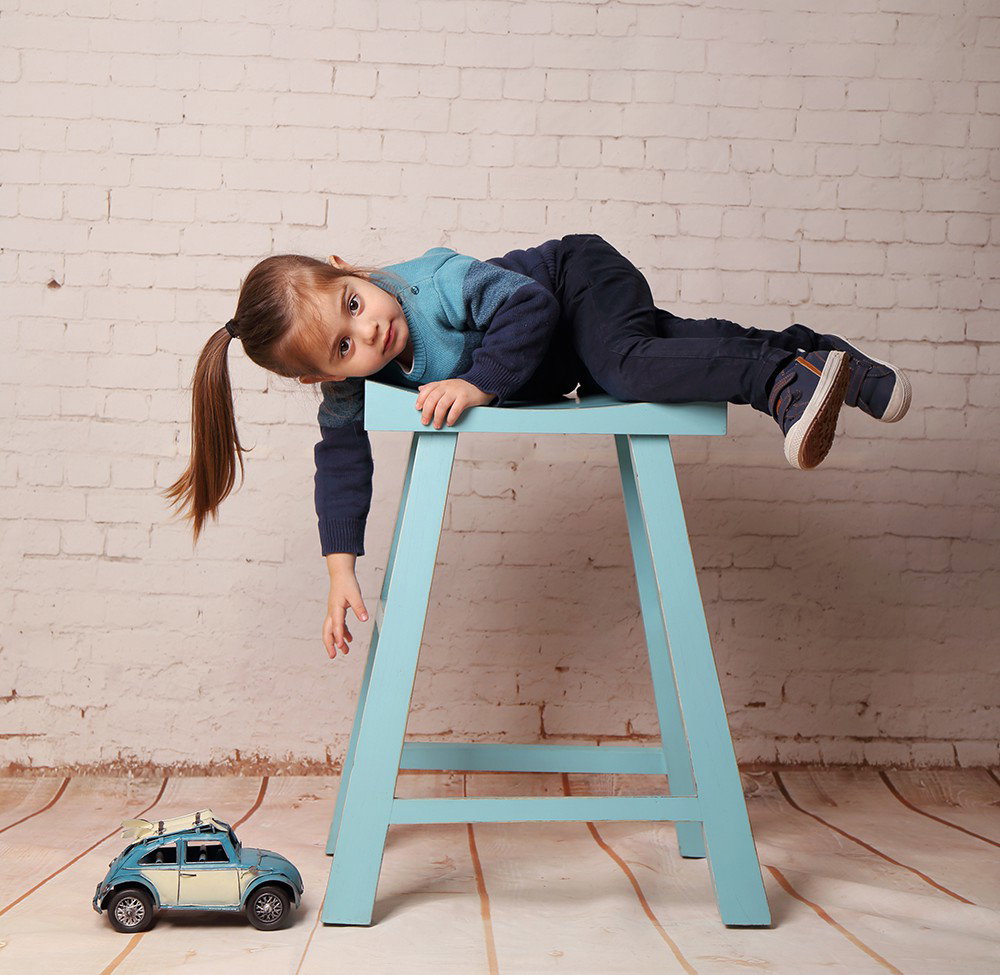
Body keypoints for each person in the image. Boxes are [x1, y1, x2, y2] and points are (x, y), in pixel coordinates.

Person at [163, 233, 911, 661]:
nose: (370, 333)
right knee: (675, 353)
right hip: (576, 357)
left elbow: (530, 305)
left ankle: (780, 381)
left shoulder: (433, 283)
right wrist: (339, 569)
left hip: (577, 282)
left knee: (629, 366)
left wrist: (480, 383)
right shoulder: (349, 381)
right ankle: (828, 363)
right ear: (320, 376)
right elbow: (342, 461)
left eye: (354, 305)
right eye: (344, 346)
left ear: (350, 269)